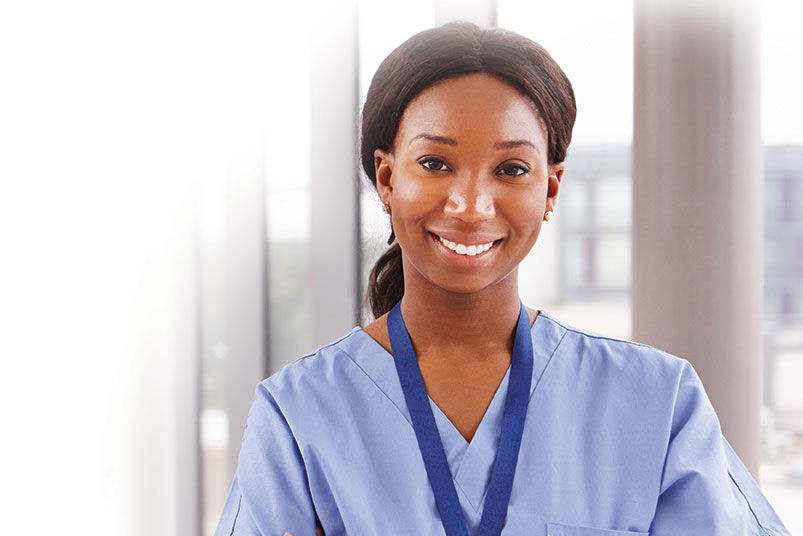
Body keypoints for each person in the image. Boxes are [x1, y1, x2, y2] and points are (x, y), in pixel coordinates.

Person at [215, 22, 790, 536]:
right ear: (387, 180)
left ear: (551, 189)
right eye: (435, 164)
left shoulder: (657, 405)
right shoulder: (298, 416)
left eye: (512, 169)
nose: (470, 204)